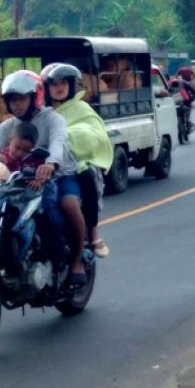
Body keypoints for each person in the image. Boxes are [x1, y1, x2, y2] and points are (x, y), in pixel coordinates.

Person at [0, 70, 88, 287]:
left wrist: (50, 163)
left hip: (60, 175)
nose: (16, 104)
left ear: (34, 96)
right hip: (23, 180)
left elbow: (58, 143)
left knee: (69, 205)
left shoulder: (54, 119)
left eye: (21, 98)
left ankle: (75, 261)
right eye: (12, 100)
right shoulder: (9, 126)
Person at [41, 62, 115, 258]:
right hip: (40, 167)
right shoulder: (40, 111)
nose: (59, 87)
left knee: (84, 179)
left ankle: (91, 235)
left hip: (71, 165)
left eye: (63, 82)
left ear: (71, 85)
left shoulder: (81, 108)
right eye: (53, 83)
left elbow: (94, 134)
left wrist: (69, 137)